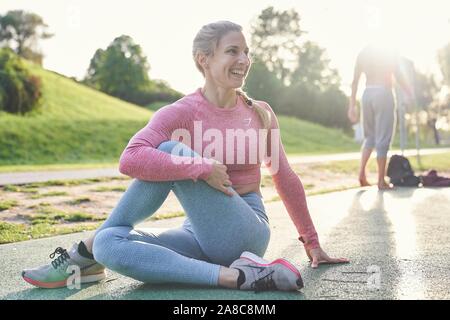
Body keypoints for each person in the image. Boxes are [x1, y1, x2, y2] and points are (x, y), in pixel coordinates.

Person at [22, 21, 348, 292]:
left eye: (246, 52)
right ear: (203, 59)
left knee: (168, 150)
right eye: (232, 51)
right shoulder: (180, 112)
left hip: (247, 229)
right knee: (109, 242)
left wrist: (312, 242)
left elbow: (284, 177)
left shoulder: (259, 113)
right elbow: (130, 159)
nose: (244, 60)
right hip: (196, 235)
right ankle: (237, 277)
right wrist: (202, 167)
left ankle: (82, 253)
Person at [348, 44, 413, 190]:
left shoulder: (363, 52)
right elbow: (398, 74)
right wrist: (409, 93)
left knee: (369, 137)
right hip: (383, 93)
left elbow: (354, 81)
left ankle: (362, 174)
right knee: (383, 138)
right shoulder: (387, 50)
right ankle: (381, 181)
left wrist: (352, 105)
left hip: (367, 94)